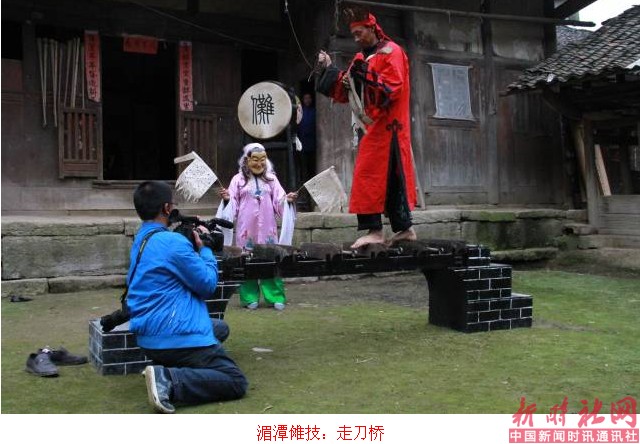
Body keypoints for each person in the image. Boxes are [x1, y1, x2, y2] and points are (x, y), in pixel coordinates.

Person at [127, 180, 248, 414]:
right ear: (166, 208)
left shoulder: (142, 238)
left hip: (147, 333)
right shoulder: (173, 242)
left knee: (220, 328)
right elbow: (207, 284)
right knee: (235, 380)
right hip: (171, 331)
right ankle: (169, 380)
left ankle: (166, 363)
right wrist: (205, 249)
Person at [316, 10, 418, 249]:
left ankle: (377, 231)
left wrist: (366, 75)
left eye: (359, 32)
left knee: (379, 177)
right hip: (372, 128)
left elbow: (393, 88)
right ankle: (402, 229)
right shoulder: (361, 58)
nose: (356, 38)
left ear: (372, 28)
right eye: (353, 34)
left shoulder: (392, 52)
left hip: (390, 127)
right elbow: (347, 89)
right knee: (383, 178)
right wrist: (329, 68)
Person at [219, 143, 298, 311]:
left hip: (268, 229)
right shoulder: (237, 180)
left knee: (270, 260)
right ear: (246, 160)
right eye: (255, 159)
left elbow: (279, 200)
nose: (259, 163)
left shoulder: (271, 179)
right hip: (246, 230)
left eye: (263, 159)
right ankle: (249, 297)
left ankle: (275, 296)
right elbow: (233, 205)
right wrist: (227, 199)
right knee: (247, 261)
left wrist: (287, 200)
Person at [296, 92, 317, 183]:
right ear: (303, 100)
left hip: (312, 143)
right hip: (302, 143)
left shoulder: (315, 111)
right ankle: (303, 184)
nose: (307, 100)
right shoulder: (300, 112)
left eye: (309, 98)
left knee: (312, 166)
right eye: (305, 98)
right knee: (303, 166)